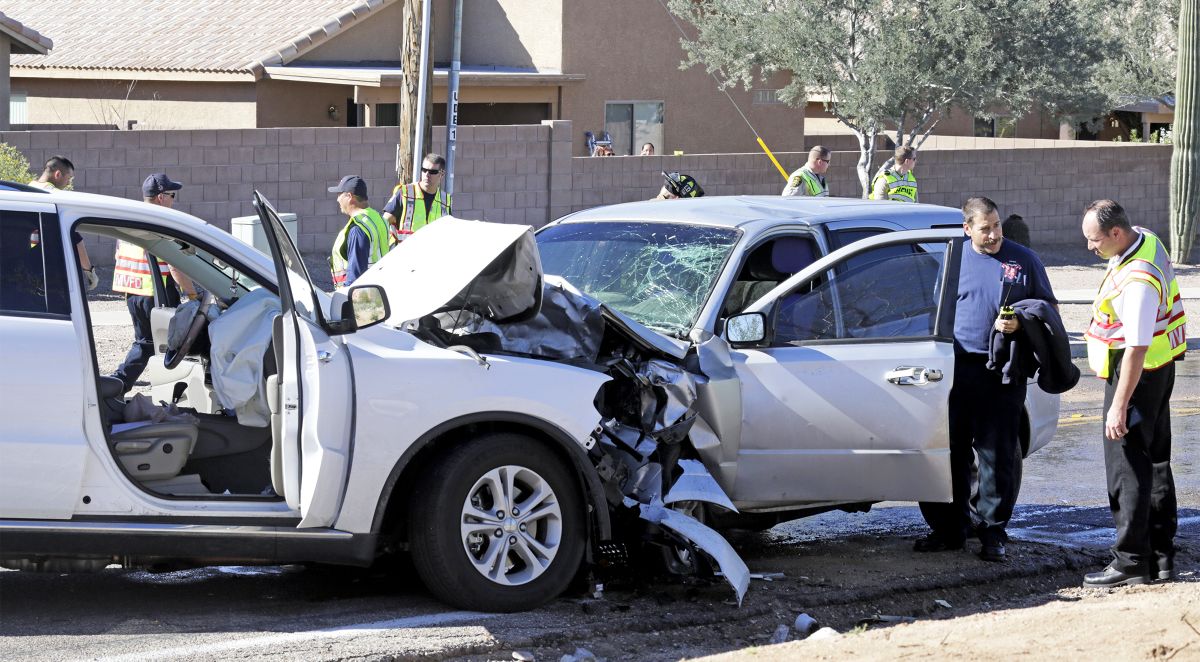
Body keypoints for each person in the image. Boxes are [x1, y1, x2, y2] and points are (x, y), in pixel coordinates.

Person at [916, 196, 1056, 562]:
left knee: (996, 456)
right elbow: (929, 309)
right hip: (954, 370)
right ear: (967, 229)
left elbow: (1048, 311)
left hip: (1003, 372)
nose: (994, 234)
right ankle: (950, 530)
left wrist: (1020, 324)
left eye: (996, 226)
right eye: (985, 228)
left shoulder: (1023, 259)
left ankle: (993, 531)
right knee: (950, 454)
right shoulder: (952, 258)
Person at [1079, 199, 1187, 587]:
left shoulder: (1137, 280)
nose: (1091, 248)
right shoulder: (1146, 239)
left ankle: (1130, 561)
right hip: (1160, 370)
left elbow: (1136, 346)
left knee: (1127, 469)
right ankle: (1160, 559)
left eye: (1095, 241)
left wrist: (1118, 406)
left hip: (1137, 376)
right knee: (1156, 462)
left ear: (1116, 233)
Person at [110, 174, 200, 393]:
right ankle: (116, 384)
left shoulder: (131, 220)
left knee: (149, 343)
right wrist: (193, 296)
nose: (173, 200)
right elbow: (175, 266)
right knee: (162, 343)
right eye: (172, 195)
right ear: (161, 197)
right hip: (155, 294)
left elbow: (117, 256)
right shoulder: (158, 223)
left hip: (133, 293)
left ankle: (120, 384)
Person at [27, 155, 98, 291]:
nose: (68, 183)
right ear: (58, 174)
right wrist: (89, 271)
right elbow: (75, 237)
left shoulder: (28, 189)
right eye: (68, 178)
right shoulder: (54, 196)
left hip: (30, 264)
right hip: (49, 271)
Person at [328, 175, 390, 290]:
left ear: (349, 196)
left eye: (339, 195)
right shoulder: (378, 218)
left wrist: (345, 299)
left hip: (362, 299)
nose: (337, 199)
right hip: (377, 292)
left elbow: (355, 278)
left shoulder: (358, 228)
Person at [382, 154, 451, 245]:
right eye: (424, 170)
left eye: (432, 172)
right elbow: (383, 223)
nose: (427, 174)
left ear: (441, 174)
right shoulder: (404, 193)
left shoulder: (445, 200)